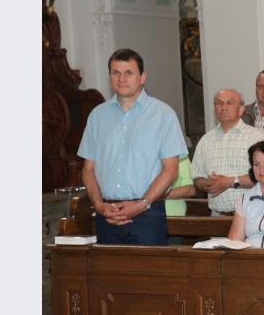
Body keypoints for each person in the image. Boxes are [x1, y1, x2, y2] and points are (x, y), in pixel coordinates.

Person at [78, 48, 187, 245]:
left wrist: (141, 205)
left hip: (147, 214)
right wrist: (99, 205)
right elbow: (88, 168)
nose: (122, 78)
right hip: (107, 215)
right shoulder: (97, 116)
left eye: (129, 72)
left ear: (142, 77)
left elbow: (170, 170)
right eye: (115, 72)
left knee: (149, 275)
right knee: (109, 275)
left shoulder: (163, 114)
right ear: (109, 76)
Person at [192, 89, 264, 215]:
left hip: (251, 215)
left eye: (230, 103)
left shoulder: (255, 137)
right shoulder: (205, 140)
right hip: (216, 216)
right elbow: (196, 177)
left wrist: (230, 182)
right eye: (219, 103)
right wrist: (209, 184)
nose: (223, 107)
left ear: (241, 109)